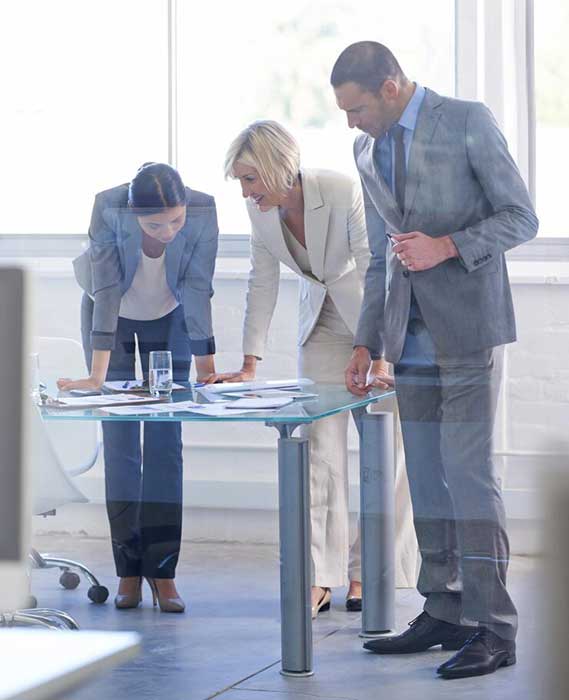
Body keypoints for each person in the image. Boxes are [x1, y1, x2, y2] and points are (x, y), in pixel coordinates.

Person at [331, 41, 538, 679]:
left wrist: (447, 245)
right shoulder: (365, 150)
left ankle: (494, 627)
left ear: (391, 88)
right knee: (424, 478)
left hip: (469, 331)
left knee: (469, 477)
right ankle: (444, 610)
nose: (351, 122)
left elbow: (521, 217)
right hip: (407, 341)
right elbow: (380, 257)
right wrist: (366, 341)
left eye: (358, 109)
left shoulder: (467, 120)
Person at [222, 120, 415, 617]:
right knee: (317, 453)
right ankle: (319, 577)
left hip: (372, 319)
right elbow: (261, 281)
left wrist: (378, 352)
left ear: (276, 166)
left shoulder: (341, 189)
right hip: (323, 326)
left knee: (385, 451)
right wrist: (249, 363)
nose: (245, 192)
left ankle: (368, 571)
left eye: (250, 179)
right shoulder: (261, 212)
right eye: (241, 181)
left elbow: (375, 266)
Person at [58, 162, 222, 612]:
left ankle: (163, 572)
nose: (167, 232)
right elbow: (107, 290)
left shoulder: (203, 209)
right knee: (121, 442)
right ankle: (128, 569)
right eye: (154, 225)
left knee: (166, 443)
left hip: (171, 319)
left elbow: (198, 288)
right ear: (134, 215)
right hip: (113, 319)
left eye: (176, 221)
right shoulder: (109, 207)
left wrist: (207, 368)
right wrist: (97, 377)